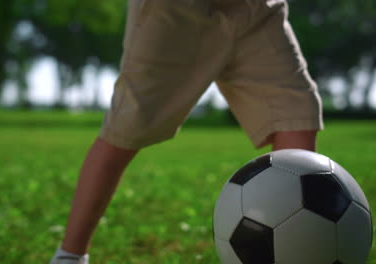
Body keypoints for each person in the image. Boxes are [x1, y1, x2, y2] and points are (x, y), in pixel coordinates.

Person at [49, 0, 323, 263]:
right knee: (126, 128)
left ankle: (292, 251)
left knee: (296, 114)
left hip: (255, 8)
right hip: (175, 8)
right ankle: (70, 256)